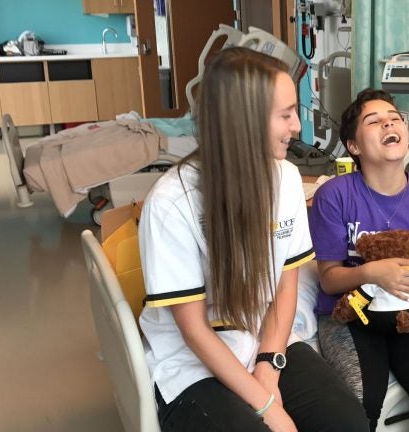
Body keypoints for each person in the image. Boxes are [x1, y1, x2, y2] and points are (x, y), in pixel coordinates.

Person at [138, 47, 368, 432]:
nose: (297, 125)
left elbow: (284, 288)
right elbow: (194, 330)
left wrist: (269, 367)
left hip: (264, 338)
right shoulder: (171, 203)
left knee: (347, 423)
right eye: (285, 114)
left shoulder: (286, 180)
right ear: (242, 121)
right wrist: (267, 407)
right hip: (194, 362)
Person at [309, 88, 409, 432]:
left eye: (394, 119)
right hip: (349, 314)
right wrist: (372, 273)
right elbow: (329, 279)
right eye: (374, 121)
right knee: (362, 399)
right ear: (354, 146)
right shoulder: (334, 196)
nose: (389, 124)